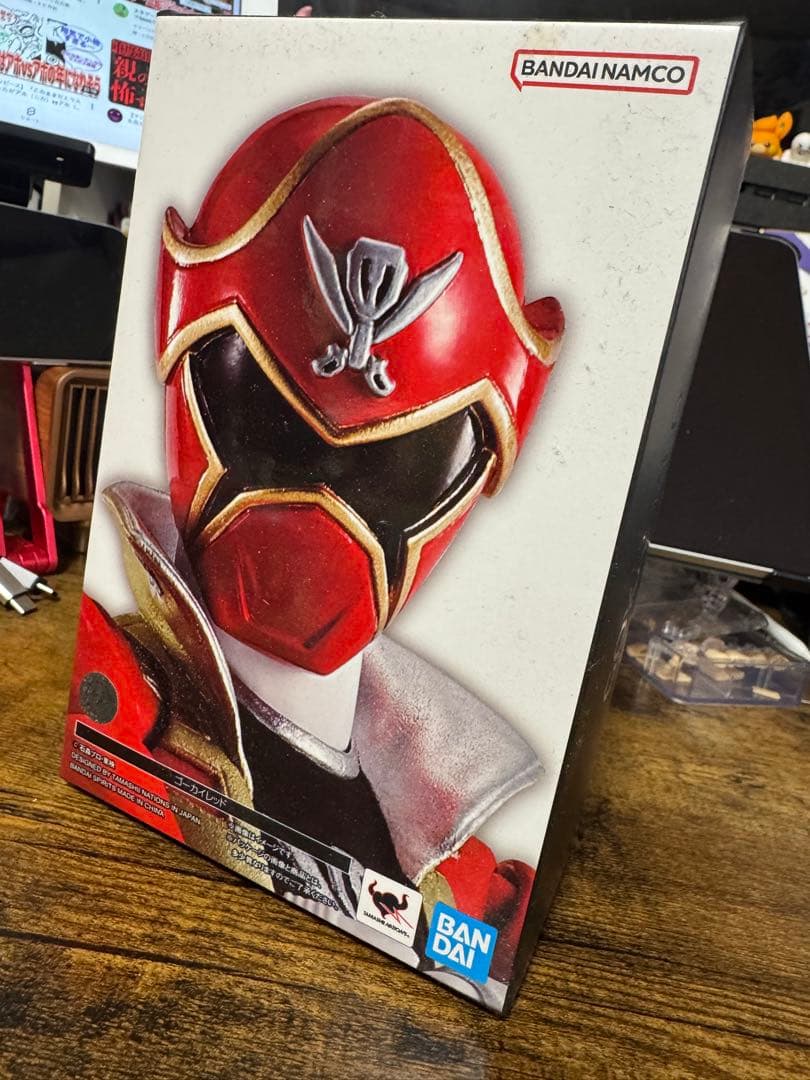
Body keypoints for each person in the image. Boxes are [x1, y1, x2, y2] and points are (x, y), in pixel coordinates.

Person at [70, 93, 564, 993]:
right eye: (267, 426)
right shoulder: (105, 707)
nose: (323, 509)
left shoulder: (470, 889)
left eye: (397, 466)